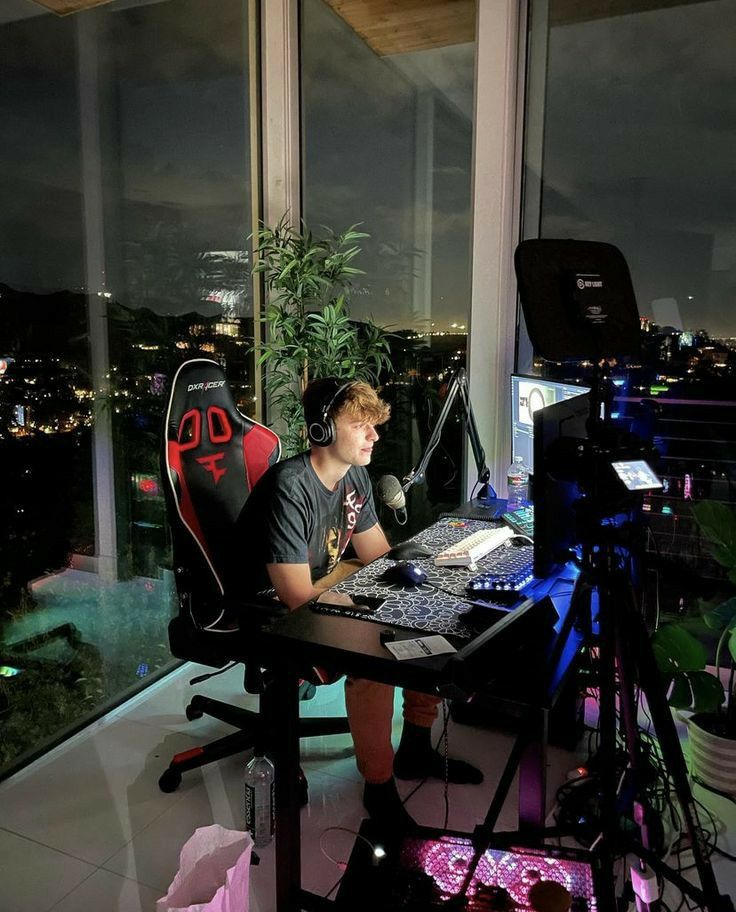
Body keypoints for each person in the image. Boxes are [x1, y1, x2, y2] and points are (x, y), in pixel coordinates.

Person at [233, 377, 482, 828]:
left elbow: (378, 557)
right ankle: (380, 786)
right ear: (323, 430)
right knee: (374, 649)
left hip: (317, 582)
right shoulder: (291, 487)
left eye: (374, 425)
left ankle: (416, 747)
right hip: (272, 606)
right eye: (361, 425)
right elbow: (296, 597)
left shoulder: (355, 476)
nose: (375, 435)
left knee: (420, 600)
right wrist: (362, 604)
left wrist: (429, 572)